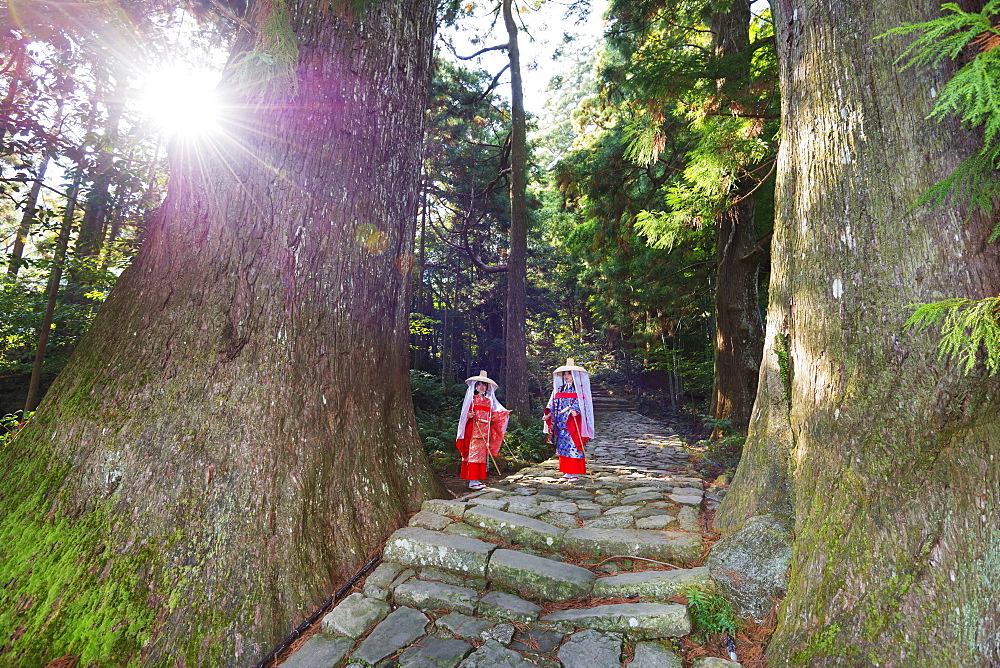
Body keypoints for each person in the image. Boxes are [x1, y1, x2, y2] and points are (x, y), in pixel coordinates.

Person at [455, 370, 510, 490]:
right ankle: (471, 480)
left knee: (481, 457)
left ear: (487, 387)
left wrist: (503, 414)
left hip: (485, 432)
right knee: (473, 456)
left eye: (484, 384)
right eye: (479, 384)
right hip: (474, 431)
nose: (482, 386)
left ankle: (477, 479)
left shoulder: (489, 401)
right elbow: (465, 414)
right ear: (475, 386)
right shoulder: (472, 399)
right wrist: (469, 415)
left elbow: (492, 417)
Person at [543, 358, 595, 482]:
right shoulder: (560, 389)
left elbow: (583, 403)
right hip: (560, 422)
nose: (566, 376)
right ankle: (567, 472)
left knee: (574, 446)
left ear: (574, 375)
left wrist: (576, 410)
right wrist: (548, 414)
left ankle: (575, 473)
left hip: (572, 422)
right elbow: (553, 403)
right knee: (562, 447)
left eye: (569, 374)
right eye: (565, 374)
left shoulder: (579, 389)